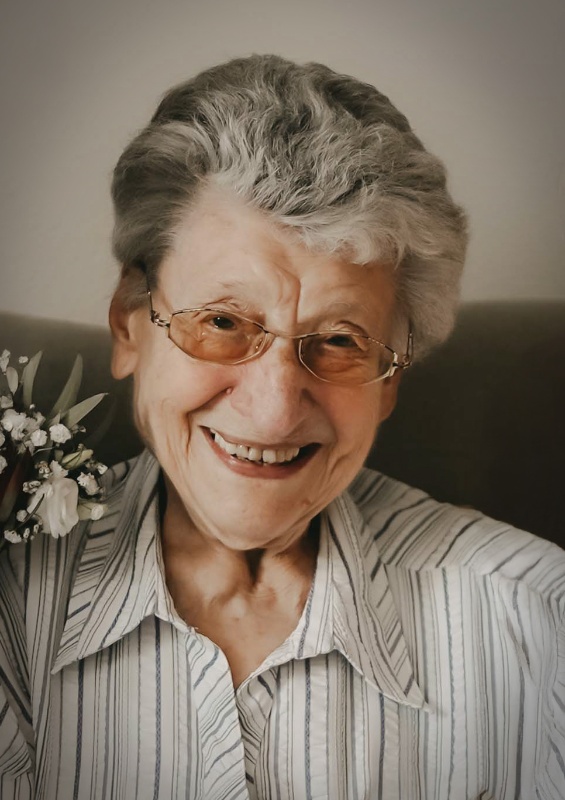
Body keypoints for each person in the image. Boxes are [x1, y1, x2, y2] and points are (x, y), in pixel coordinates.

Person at [1, 54, 564, 800]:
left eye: (338, 340)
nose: (273, 409)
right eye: (222, 322)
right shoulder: (10, 602)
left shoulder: (536, 623)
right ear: (129, 324)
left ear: (391, 379)